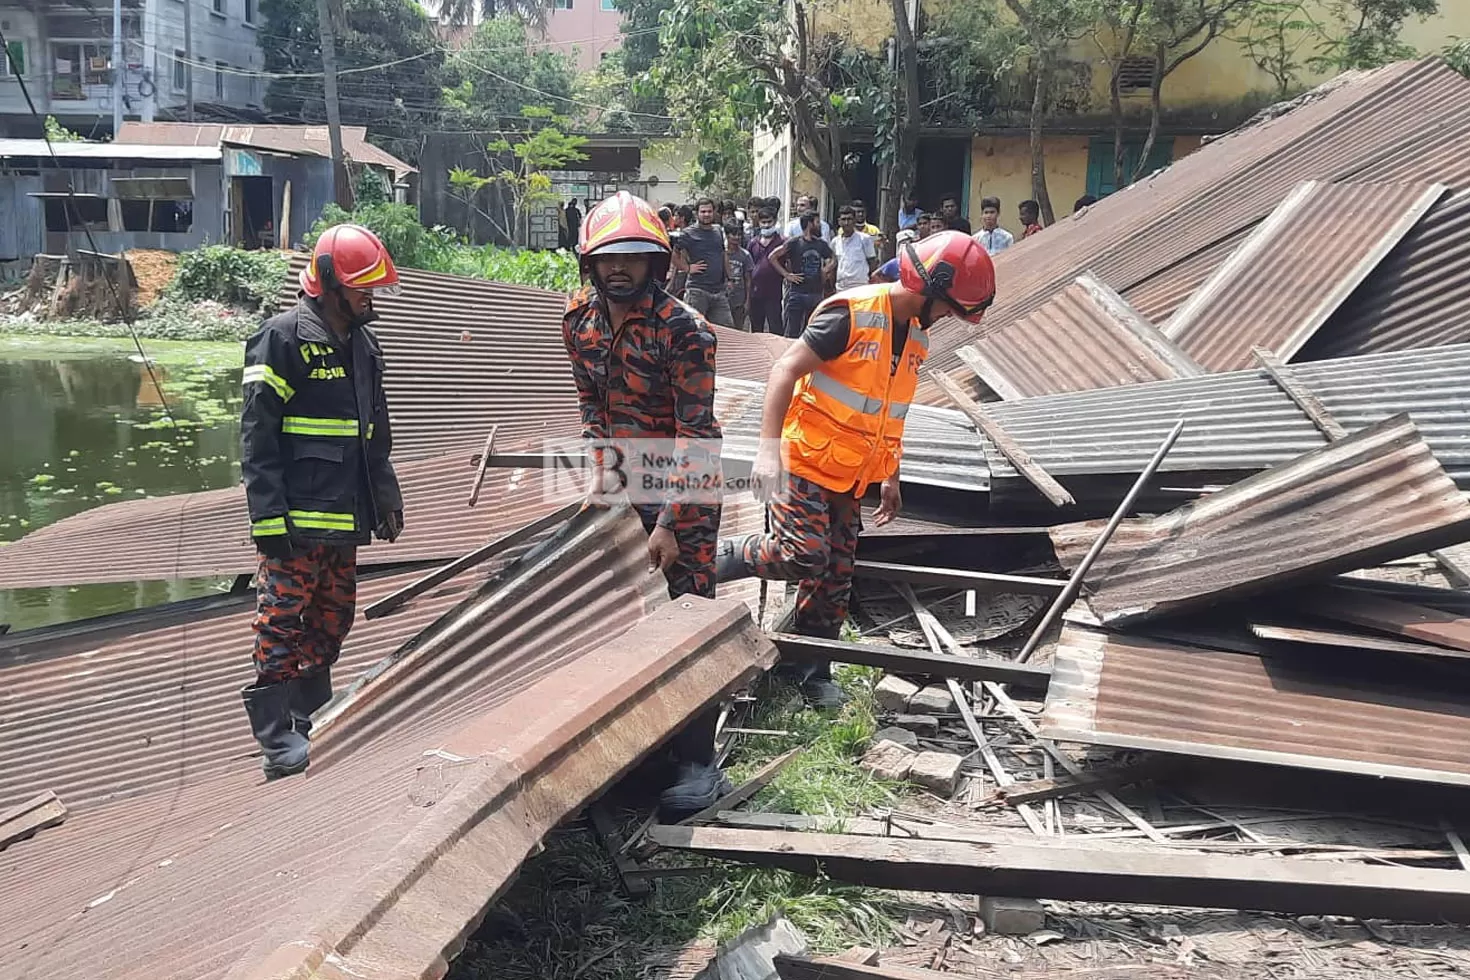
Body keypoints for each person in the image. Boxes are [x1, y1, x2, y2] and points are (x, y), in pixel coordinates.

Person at [715, 232, 996, 705]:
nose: (950, 317)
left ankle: (810, 668)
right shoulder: (851, 315)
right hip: (803, 459)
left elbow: (892, 408)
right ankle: (713, 558)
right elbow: (785, 370)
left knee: (837, 572)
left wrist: (891, 473)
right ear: (929, 291)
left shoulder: (917, 337)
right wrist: (767, 450)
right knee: (802, 554)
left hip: (851, 474)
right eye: (950, 307)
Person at [563, 191, 729, 819]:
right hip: (622, 485)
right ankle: (644, 751)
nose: (620, 268)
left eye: (635, 257)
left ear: (657, 263)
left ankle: (696, 761)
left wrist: (668, 524)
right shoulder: (578, 320)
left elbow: (700, 437)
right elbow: (591, 412)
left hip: (682, 491)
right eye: (608, 258)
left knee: (686, 617)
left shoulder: (685, 329)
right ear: (591, 263)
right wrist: (602, 485)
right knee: (628, 618)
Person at [239, 224, 405, 779]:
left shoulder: (363, 343)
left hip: (343, 520)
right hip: (293, 524)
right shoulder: (281, 339)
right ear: (330, 283)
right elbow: (257, 439)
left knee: (333, 620)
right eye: (362, 288)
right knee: (280, 622)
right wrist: (266, 518)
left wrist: (385, 498)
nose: (370, 298)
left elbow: (373, 432)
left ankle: (306, 718)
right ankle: (275, 737)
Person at [770, 213, 836, 339]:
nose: (820, 226)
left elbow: (833, 259)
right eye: (817, 222)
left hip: (816, 293)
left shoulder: (821, 244)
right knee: (792, 332)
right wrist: (787, 275)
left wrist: (825, 270)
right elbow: (772, 257)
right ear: (810, 224)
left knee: (813, 332)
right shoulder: (794, 243)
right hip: (797, 293)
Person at [675, 197, 734, 327]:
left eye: (709, 211)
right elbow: (674, 255)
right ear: (697, 213)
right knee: (694, 329)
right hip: (697, 290)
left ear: (714, 212)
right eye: (703, 211)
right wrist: (687, 268)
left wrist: (730, 278)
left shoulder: (718, 230)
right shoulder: (688, 233)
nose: (706, 214)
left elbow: (723, 255)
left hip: (718, 291)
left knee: (727, 329)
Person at [747, 207, 786, 335]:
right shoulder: (753, 243)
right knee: (756, 329)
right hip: (755, 292)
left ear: (775, 221)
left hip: (774, 293)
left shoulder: (782, 242)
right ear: (759, 223)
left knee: (776, 328)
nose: (767, 225)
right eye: (763, 222)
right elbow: (748, 267)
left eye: (769, 222)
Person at [830, 204, 878, 290]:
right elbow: (834, 266)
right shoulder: (835, 242)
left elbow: (872, 263)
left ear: (854, 220)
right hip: (841, 288)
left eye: (849, 219)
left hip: (860, 287)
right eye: (843, 219)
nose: (846, 223)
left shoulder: (864, 239)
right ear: (839, 221)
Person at [725, 221, 754, 331]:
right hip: (723, 298)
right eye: (734, 234)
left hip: (739, 300)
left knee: (738, 330)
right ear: (727, 235)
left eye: (739, 234)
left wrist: (747, 301)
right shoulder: (721, 253)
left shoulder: (745, 255)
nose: (737, 237)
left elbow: (748, 280)